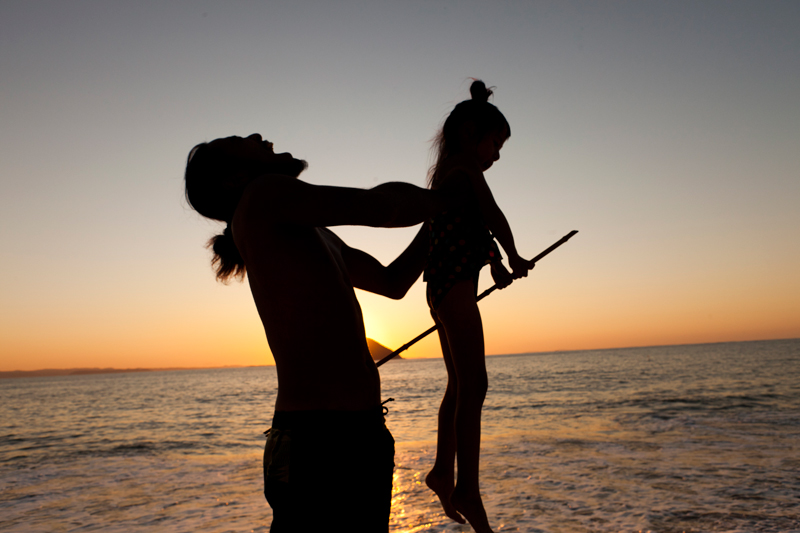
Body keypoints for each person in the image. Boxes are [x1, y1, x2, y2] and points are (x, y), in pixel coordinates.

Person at [184, 134, 450, 532]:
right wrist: (450, 195)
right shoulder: (261, 195)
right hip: (318, 442)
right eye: (242, 141)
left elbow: (391, 282)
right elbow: (381, 207)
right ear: (234, 178)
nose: (258, 137)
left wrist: (438, 215)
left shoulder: (314, 231)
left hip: (359, 433)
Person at [423, 81, 534, 533]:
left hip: (444, 286)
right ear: (471, 133)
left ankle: (441, 472)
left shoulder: (448, 173)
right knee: (475, 383)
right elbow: (491, 214)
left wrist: (493, 266)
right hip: (452, 286)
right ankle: (466, 487)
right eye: (496, 144)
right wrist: (514, 254)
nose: (497, 155)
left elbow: (469, 230)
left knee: (459, 384)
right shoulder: (465, 166)